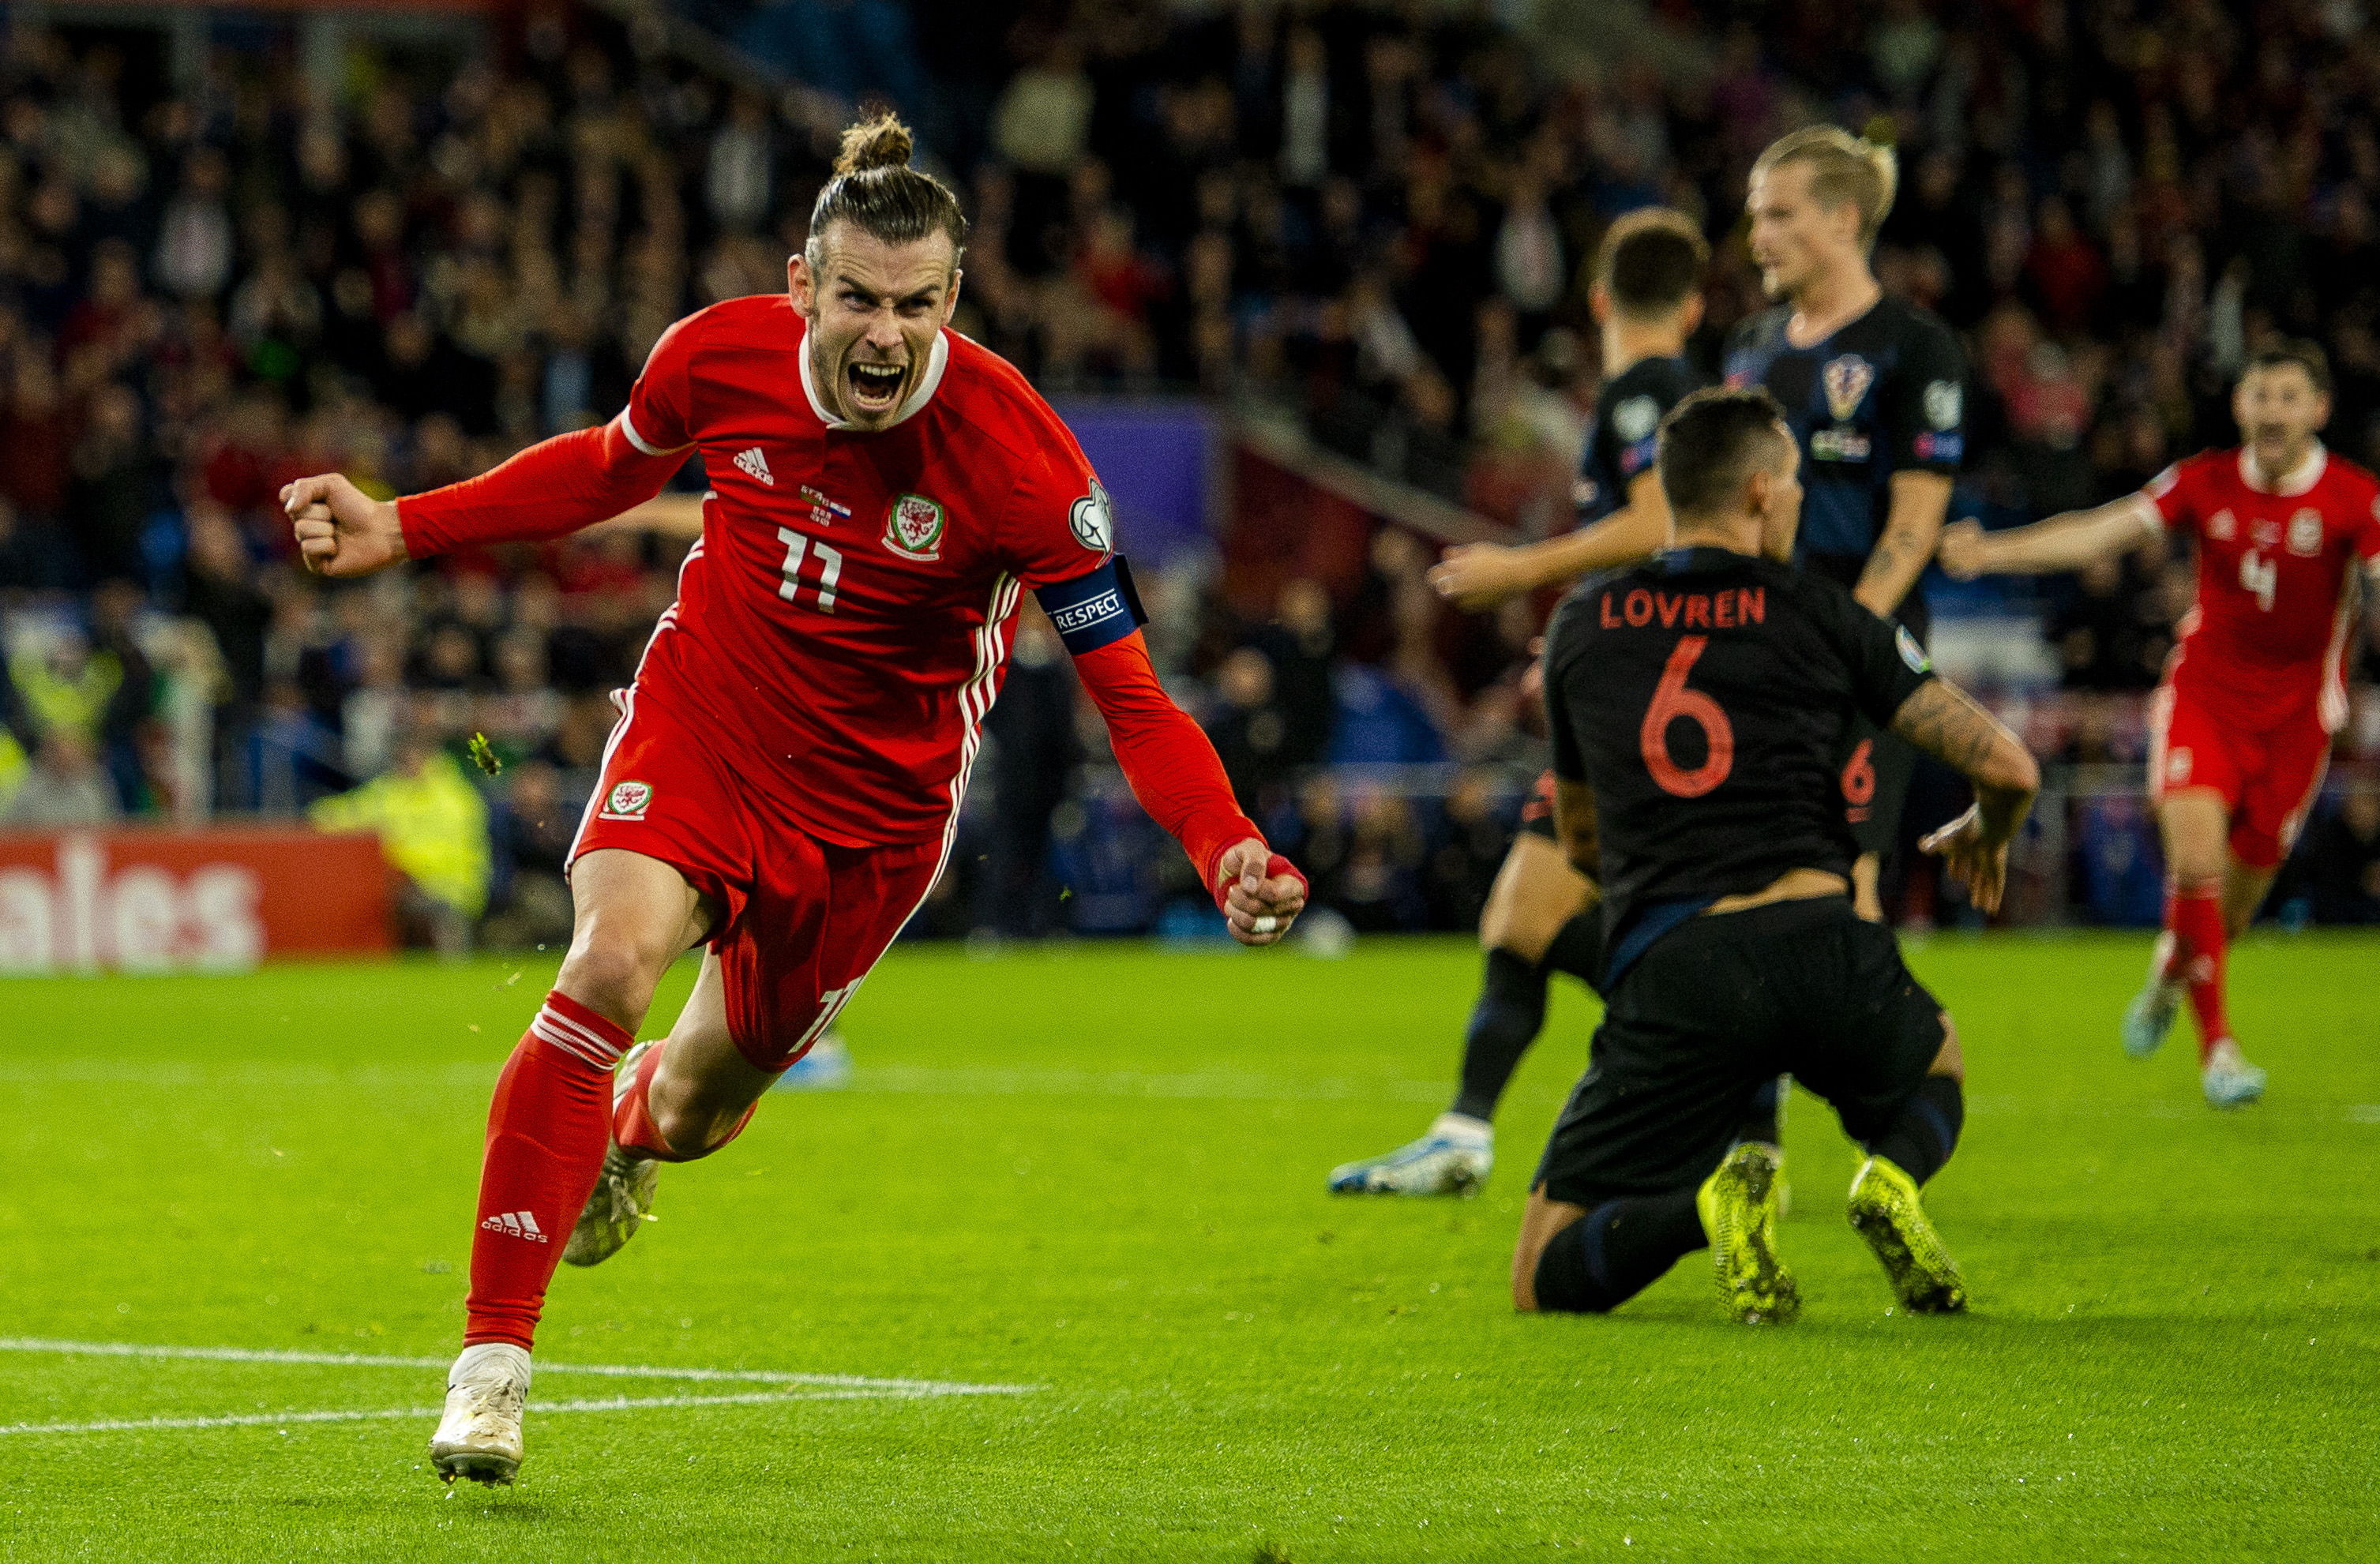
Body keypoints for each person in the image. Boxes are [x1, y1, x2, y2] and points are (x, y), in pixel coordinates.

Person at [281, 114, 1309, 1487]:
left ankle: (634, 1123)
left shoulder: (1028, 466)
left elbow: (1128, 692)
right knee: (606, 962)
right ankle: (490, 1372)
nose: (883, 336)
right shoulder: (715, 356)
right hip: (705, 722)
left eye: (915, 304)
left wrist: (1223, 840)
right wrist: (405, 522)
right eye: (857, 301)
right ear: (801, 285)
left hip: (871, 823)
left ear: (953, 299)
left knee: (702, 1107)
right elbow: (602, 469)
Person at [1514, 387, 2038, 1323]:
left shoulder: (1580, 624)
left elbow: (1581, 836)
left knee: (1541, 1270)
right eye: (1795, 483)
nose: (1798, 500)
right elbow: (2007, 766)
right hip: (1824, 943)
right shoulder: (1823, 616)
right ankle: (1888, 1177)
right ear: (1760, 492)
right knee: (1937, 1065)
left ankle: (1701, 1207)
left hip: (1681, 967)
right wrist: (1982, 833)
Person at [1328, 208, 1721, 1196]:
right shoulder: (1681, 392)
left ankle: (1721, 1061)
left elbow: (1658, 522)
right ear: (1695, 302)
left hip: (1646, 694)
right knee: (1521, 915)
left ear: (1596, 298)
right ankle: (1468, 1131)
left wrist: (1524, 571)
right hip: (1640, 679)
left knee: (1559, 912)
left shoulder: (1644, 388)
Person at [1937, 341, 2380, 1107]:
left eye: (2286, 396)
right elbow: (2101, 530)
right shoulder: (2203, 481)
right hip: (2202, 701)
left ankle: (2167, 975)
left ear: (2316, 409)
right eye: (2258, 395)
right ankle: (2218, 1050)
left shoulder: (2351, 498)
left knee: (2228, 916)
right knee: (2195, 859)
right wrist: (1993, 551)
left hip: (2297, 724)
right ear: (2240, 406)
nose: (2270, 411)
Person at [1725, 126, 1969, 922]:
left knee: (1843, 874)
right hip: (1755, 632)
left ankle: (1864, 1043)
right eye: (1755, 217)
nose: (1757, 238)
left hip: (1858, 640)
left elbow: (1914, 520)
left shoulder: (1913, 348)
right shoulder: (1748, 350)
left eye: (1778, 216)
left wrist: (1843, 638)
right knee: (1750, 871)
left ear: (1840, 220)